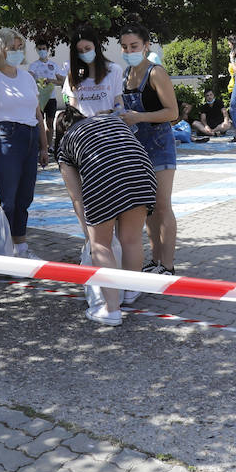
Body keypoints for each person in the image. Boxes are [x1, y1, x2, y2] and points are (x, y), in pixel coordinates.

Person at [55, 109, 157, 326]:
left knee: (101, 245)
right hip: (141, 170)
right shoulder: (109, 120)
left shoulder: (65, 144)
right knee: (131, 239)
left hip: (104, 174)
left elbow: (76, 197)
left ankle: (111, 310)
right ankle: (130, 291)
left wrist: (90, 234)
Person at [0, 27, 49, 257]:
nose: (17, 52)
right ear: (0, 50)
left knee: (24, 197)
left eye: (20, 48)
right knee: (6, 199)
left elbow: (38, 115)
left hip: (29, 138)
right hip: (5, 138)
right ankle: (3, 253)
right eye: (12, 48)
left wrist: (44, 146)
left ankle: (21, 247)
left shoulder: (26, 77)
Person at [117, 23, 180, 276]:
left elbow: (173, 113)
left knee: (162, 205)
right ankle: (155, 262)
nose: (129, 50)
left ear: (146, 46)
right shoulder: (124, 75)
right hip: (135, 149)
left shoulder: (156, 73)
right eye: (124, 47)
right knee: (147, 208)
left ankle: (168, 265)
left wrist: (139, 117)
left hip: (159, 146)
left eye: (134, 46)